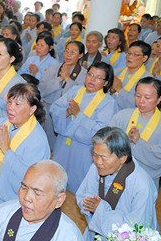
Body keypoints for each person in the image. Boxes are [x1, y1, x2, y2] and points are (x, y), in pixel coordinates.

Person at [0, 83, 50, 216]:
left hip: (13, 201)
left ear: (32, 109)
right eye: (9, 102)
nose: (11, 108)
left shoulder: (37, 139)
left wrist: (6, 150)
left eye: (18, 104)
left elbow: (30, 176)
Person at [76, 127, 158, 241]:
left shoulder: (142, 185)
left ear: (123, 158)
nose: (98, 162)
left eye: (104, 157)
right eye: (95, 154)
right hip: (95, 236)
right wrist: (90, 205)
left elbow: (137, 229)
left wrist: (100, 210)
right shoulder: (97, 168)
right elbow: (83, 195)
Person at [50, 62, 118, 193]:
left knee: (79, 190)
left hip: (83, 152)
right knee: (56, 184)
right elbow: (54, 108)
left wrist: (78, 115)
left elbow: (101, 132)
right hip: (63, 147)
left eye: (98, 77)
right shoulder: (75, 90)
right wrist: (66, 112)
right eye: (90, 74)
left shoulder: (108, 103)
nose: (92, 79)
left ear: (105, 82)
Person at [110, 77, 161, 188]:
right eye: (138, 96)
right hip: (115, 174)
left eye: (147, 97)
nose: (141, 101)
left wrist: (139, 142)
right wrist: (123, 141)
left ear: (159, 99)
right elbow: (107, 141)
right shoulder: (122, 116)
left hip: (144, 181)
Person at [39, 40, 86, 146]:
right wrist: (60, 78)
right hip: (49, 110)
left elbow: (81, 94)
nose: (68, 55)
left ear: (80, 55)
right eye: (66, 51)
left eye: (73, 52)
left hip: (68, 113)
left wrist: (68, 79)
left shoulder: (84, 74)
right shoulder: (54, 68)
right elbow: (42, 88)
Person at [110, 41, 151, 110]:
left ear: (144, 58)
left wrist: (120, 89)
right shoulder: (117, 71)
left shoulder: (148, 80)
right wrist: (111, 90)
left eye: (136, 54)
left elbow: (140, 103)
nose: (130, 57)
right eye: (129, 53)